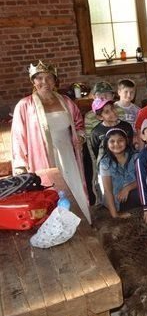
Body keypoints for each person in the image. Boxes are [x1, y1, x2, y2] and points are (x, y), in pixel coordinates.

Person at [11, 60, 91, 223]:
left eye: (49, 78)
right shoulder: (24, 105)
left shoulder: (66, 101)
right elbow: (18, 137)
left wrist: (80, 136)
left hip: (67, 153)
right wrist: (20, 165)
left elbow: (78, 123)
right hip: (41, 156)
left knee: (72, 186)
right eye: (39, 78)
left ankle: (80, 221)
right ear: (33, 81)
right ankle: (55, 224)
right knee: (50, 190)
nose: (44, 82)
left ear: (55, 81)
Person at [98, 128, 140, 218]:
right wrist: (115, 215)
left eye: (120, 140)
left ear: (126, 141)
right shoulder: (105, 163)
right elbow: (107, 190)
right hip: (117, 200)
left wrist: (128, 188)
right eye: (112, 141)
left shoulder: (136, 157)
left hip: (133, 193)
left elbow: (145, 178)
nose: (116, 144)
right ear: (107, 144)